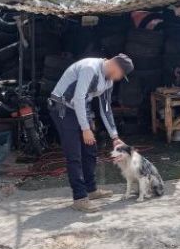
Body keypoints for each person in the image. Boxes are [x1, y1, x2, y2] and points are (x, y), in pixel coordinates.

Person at [49, 54, 133, 213]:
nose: (119, 78)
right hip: (63, 108)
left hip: (79, 108)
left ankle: (91, 190)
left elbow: (106, 108)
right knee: (74, 155)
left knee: (90, 150)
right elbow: (78, 98)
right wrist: (85, 129)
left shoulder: (108, 81)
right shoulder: (90, 68)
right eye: (121, 75)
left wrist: (114, 136)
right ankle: (79, 199)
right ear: (116, 66)